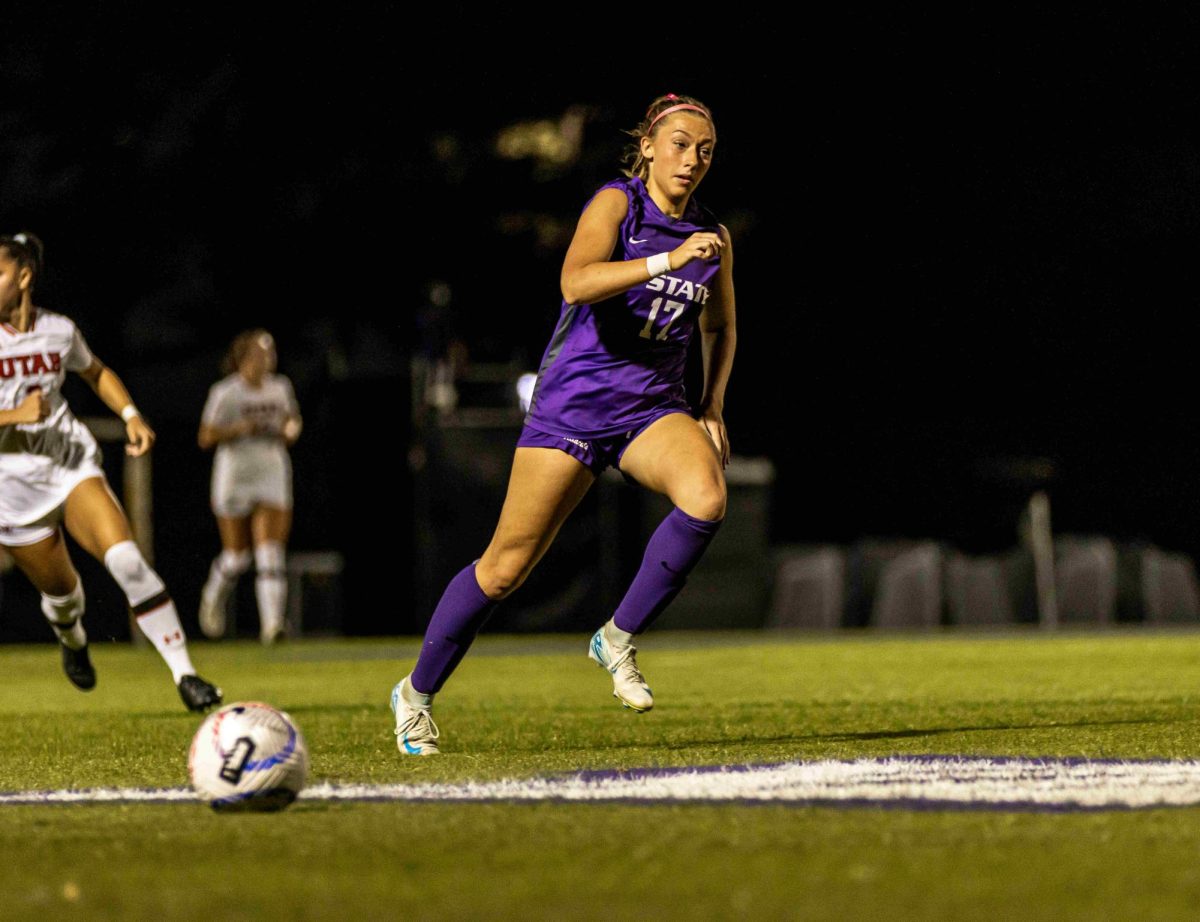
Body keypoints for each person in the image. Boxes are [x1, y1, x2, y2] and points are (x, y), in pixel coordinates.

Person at [390, 93, 735, 754]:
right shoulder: (618, 205)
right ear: (648, 148)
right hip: (574, 406)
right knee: (505, 569)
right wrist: (668, 261)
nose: (692, 159)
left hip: (651, 408)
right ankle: (415, 695)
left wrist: (712, 403)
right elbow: (575, 282)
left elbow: (722, 326)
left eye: (706, 150)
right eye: (681, 144)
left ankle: (618, 637)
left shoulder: (712, 235)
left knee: (707, 498)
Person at [0, 232, 222, 711]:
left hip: (70, 466)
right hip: (13, 490)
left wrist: (130, 415)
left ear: (23, 277)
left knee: (125, 560)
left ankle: (186, 675)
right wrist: (14, 417)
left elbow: (95, 371)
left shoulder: (58, 330)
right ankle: (73, 639)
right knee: (64, 597)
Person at [197, 329, 301, 644]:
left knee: (270, 553)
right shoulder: (226, 392)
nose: (265, 361)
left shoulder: (280, 387)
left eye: (269, 354)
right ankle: (213, 596)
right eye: (258, 354)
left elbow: (291, 419)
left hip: (271, 469)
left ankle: (272, 626)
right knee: (237, 556)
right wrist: (239, 428)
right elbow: (206, 436)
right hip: (236, 474)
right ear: (242, 358)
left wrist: (291, 429)